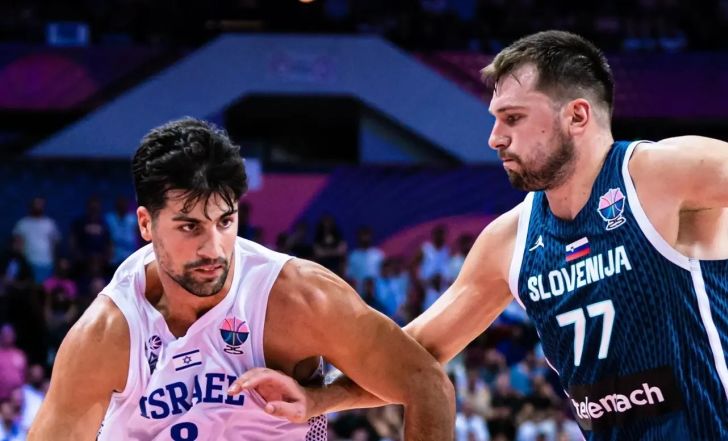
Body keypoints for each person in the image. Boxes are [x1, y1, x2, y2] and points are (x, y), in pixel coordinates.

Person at [232, 30, 728, 440]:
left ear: (577, 115)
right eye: (496, 120)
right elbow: (417, 356)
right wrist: (321, 399)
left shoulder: (664, 174)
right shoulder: (510, 239)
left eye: (513, 118)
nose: (495, 138)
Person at [28, 118, 455, 440]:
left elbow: (426, 384)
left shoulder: (297, 297)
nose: (213, 248)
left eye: (225, 221)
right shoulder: (109, 333)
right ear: (145, 224)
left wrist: (322, 399)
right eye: (190, 226)